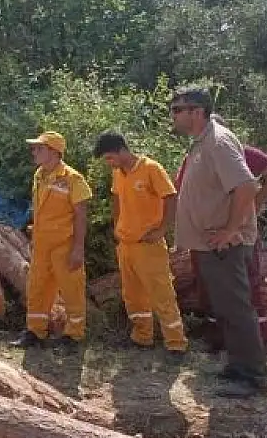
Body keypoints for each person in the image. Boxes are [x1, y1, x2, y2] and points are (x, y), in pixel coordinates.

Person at [171, 88, 267, 397]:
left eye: (178, 109)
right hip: (209, 244)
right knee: (225, 308)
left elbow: (246, 186)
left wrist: (230, 229)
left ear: (197, 111)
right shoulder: (202, 143)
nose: (173, 115)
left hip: (223, 244)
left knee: (237, 308)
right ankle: (238, 366)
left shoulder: (219, 140)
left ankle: (253, 377)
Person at [177, 114, 267, 351]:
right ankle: (220, 341)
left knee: (247, 289)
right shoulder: (196, 155)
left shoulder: (234, 150)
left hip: (233, 236)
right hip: (204, 238)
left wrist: (256, 202)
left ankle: (259, 347)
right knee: (210, 289)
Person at [94, 132, 187, 353]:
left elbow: (171, 197)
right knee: (133, 294)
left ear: (121, 150)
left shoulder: (151, 168)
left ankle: (176, 343)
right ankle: (142, 336)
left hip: (148, 245)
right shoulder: (118, 173)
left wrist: (162, 229)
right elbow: (116, 197)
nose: (109, 163)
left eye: (110, 158)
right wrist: (117, 225)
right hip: (126, 244)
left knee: (161, 293)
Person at [13, 131, 91, 349]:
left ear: (54, 152)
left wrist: (78, 249)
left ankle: (74, 334)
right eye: (34, 148)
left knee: (71, 290)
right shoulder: (39, 175)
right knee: (37, 287)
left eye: (39, 148)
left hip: (64, 245)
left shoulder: (73, 178)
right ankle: (35, 331)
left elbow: (81, 215)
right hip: (42, 244)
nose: (34, 152)